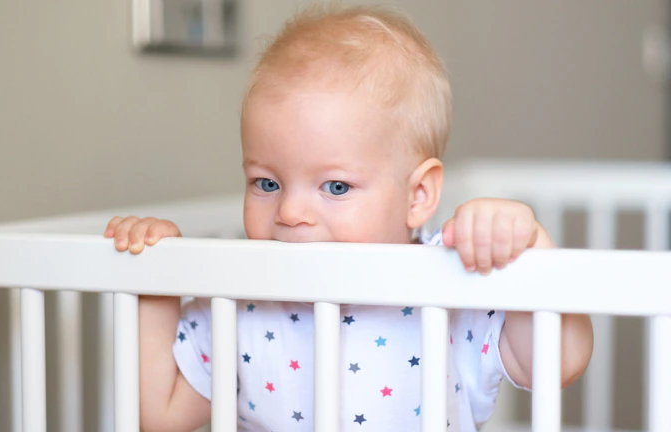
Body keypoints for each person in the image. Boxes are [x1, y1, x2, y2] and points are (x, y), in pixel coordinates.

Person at [105, 4, 593, 431]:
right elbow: (162, 414)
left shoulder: (450, 285)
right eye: (266, 183)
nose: (291, 213)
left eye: (335, 187)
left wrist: (527, 248)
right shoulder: (242, 302)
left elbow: (557, 363)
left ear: (418, 195)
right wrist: (155, 279)